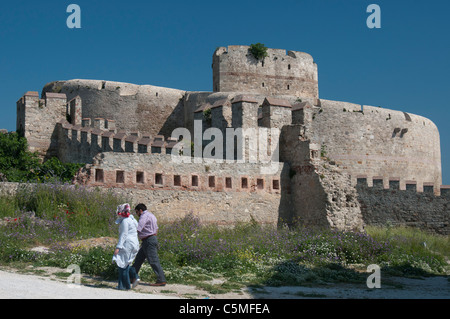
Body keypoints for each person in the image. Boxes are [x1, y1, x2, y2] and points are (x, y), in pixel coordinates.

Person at [131, 203, 167, 287]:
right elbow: (156, 229)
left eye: (137, 212)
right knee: (138, 260)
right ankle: (131, 277)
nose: (137, 214)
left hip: (148, 240)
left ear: (140, 210)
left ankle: (161, 279)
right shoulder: (152, 215)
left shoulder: (143, 216)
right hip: (150, 239)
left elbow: (138, 228)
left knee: (153, 261)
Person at [112, 203, 140, 290]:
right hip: (135, 243)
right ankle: (133, 278)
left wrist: (118, 247)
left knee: (122, 264)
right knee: (127, 263)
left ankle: (124, 286)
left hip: (127, 244)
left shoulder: (125, 221)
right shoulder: (132, 219)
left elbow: (123, 235)